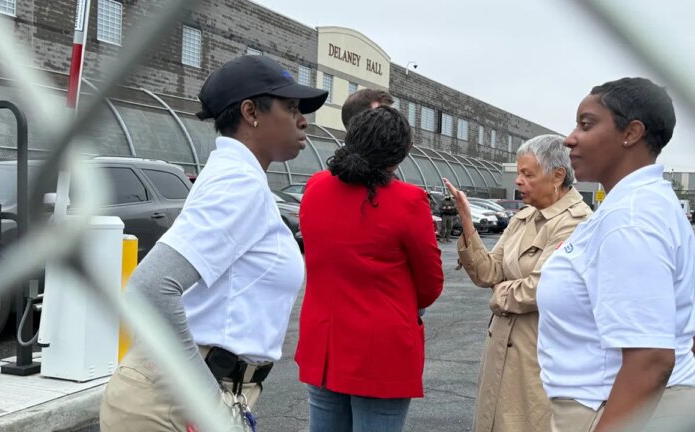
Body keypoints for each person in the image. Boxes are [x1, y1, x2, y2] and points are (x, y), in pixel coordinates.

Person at [99, 55, 328, 431]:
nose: (303, 120)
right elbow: (151, 286)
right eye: (290, 107)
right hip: (177, 403)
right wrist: (208, 402)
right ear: (251, 112)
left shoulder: (238, 177)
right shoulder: (238, 183)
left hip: (193, 392)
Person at [537, 77, 695, 432]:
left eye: (586, 124)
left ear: (631, 133)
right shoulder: (641, 206)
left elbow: (651, 359)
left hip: (612, 409)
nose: (569, 139)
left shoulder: (631, 219)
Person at [296, 106, 444, 432]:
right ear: (401, 152)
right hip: (381, 349)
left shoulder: (316, 187)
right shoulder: (408, 200)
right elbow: (430, 283)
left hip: (323, 342)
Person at [444, 134, 591, 432]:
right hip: (501, 350)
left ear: (557, 176)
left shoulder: (577, 222)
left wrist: (500, 295)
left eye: (528, 174)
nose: (518, 181)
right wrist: (468, 223)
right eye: (519, 173)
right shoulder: (523, 217)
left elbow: (542, 287)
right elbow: (489, 272)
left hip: (538, 357)